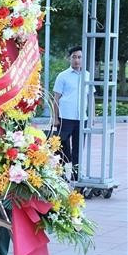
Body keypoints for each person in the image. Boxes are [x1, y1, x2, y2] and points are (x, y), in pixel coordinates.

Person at [53, 46, 87, 181]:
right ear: (69, 58)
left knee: (78, 149)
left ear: (83, 59)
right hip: (65, 118)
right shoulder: (62, 76)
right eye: (74, 57)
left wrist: (92, 116)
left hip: (81, 118)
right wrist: (55, 118)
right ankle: (60, 174)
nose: (77, 60)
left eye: (79, 57)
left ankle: (76, 175)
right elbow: (56, 98)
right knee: (61, 146)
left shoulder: (87, 75)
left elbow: (90, 97)